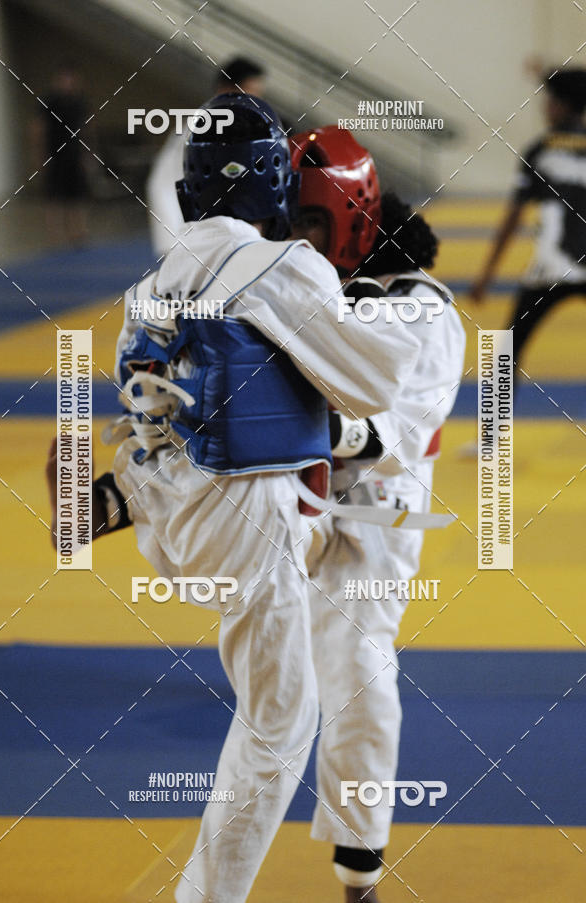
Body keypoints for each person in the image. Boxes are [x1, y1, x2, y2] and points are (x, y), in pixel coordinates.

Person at [47, 95, 420, 902]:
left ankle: (113, 495)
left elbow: (144, 393)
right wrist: (377, 325)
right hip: (244, 516)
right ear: (270, 185)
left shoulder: (151, 279)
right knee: (281, 722)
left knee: (215, 444)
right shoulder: (283, 265)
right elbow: (372, 378)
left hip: (174, 513)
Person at [290, 126, 466, 902]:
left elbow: (390, 434)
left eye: (313, 224)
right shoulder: (310, 283)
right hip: (297, 490)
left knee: (356, 669)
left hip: (370, 518)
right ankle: (120, 505)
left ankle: (359, 864)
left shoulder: (423, 313)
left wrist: (291, 423)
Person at [470, 67, 586, 385]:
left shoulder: (541, 151)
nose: (544, 106)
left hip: (550, 268)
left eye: (548, 100)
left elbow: (512, 219)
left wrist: (486, 274)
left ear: (561, 105)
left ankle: (491, 436)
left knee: (508, 351)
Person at [146, 57, 266, 256]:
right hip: (188, 229)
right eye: (250, 91)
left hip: (211, 229)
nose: (255, 100)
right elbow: (163, 181)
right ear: (225, 89)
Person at [31, 61, 91, 246]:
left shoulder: (79, 102)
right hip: (54, 155)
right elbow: (37, 129)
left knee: (77, 195)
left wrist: (88, 154)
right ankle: (55, 235)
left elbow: (86, 129)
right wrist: (39, 156)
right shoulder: (49, 102)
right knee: (54, 197)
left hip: (74, 154)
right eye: (64, 79)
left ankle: (78, 232)